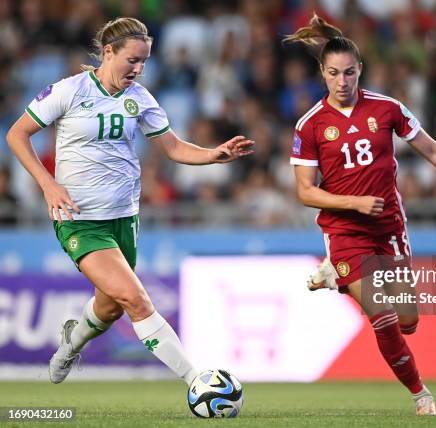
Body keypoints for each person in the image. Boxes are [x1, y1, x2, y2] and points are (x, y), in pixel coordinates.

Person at [5, 17, 254, 386]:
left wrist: (214, 154)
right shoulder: (69, 91)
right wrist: (47, 183)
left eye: (144, 62)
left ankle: (71, 344)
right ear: (108, 52)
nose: (138, 69)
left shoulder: (140, 99)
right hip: (80, 219)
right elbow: (16, 134)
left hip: (124, 219)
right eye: (132, 60)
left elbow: (173, 147)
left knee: (109, 309)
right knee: (136, 299)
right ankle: (197, 380)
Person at [285, 15, 436, 416]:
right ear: (322, 73)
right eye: (334, 73)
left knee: (408, 320)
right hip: (345, 228)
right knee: (381, 316)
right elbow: (304, 191)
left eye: (349, 72)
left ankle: (336, 276)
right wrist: (354, 203)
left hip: (388, 228)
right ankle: (421, 394)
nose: (342, 81)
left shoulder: (387, 109)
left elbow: (433, 149)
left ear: (360, 70)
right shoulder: (311, 125)